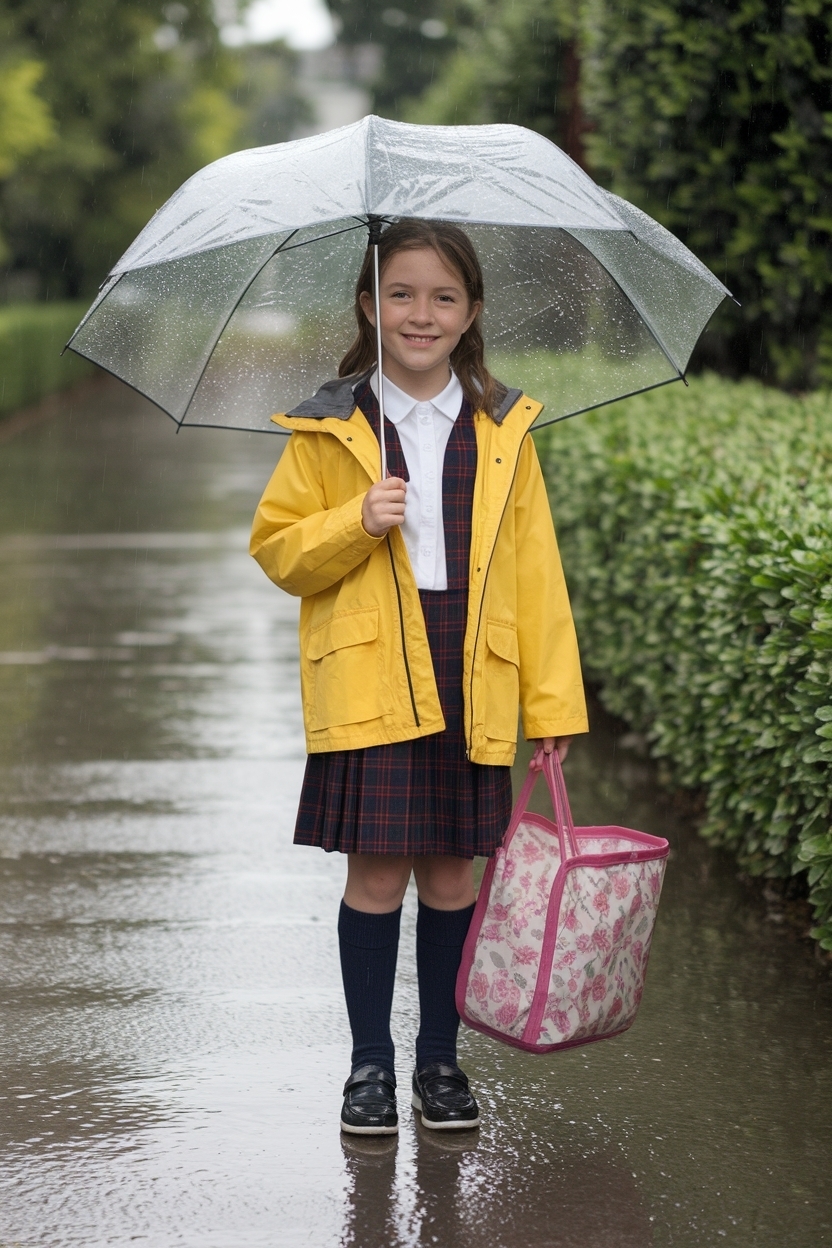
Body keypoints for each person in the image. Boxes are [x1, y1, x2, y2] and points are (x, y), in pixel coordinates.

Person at [250, 219, 588, 1136]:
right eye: (400, 293)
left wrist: (552, 704)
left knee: (451, 878)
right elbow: (278, 551)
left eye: (443, 296)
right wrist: (355, 520)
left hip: (471, 666)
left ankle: (440, 1061)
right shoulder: (330, 426)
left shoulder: (503, 429)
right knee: (376, 878)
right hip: (370, 672)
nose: (421, 313)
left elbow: (537, 574)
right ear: (369, 305)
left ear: (472, 311)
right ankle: (371, 1068)